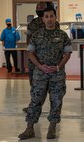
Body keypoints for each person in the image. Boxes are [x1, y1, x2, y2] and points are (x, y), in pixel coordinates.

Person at [18, 7, 72, 140]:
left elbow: (67, 53)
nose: (49, 19)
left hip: (57, 74)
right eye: (46, 16)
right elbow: (30, 52)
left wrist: (58, 67)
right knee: (35, 100)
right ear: (43, 19)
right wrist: (39, 66)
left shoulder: (62, 35)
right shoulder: (37, 35)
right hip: (40, 74)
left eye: (51, 16)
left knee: (56, 101)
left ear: (55, 17)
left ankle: (52, 127)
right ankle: (29, 128)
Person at [22, 1, 60, 112]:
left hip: (50, 59)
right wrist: (31, 55)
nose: (38, 9)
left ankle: (54, 109)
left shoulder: (53, 23)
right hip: (35, 59)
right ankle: (33, 106)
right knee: (34, 84)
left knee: (53, 86)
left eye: (41, 7)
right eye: (37, 7)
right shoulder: (32, 24)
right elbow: (28, 41)